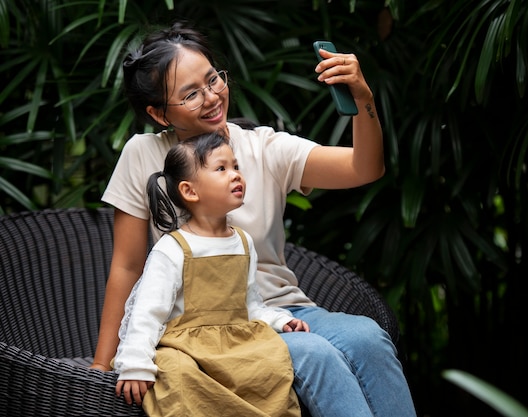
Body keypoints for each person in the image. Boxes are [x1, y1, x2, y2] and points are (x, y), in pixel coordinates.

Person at [94, 21, 417, 417]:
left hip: (282, 310)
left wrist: (363, 97)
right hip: (202, 325)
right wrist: (101, 365)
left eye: (213, 80)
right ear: (160, 114)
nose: (212, 97)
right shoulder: (142, 155)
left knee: (368, 336)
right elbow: (127, 266)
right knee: (316, 355)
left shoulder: (264, 147)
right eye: (191, 94)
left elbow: (364, 168)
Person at [113, 131, 308, 416]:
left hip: (236, 342)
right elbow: (147, 313)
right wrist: (135, 364)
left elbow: (250, 305)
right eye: (221, 169)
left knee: (271, 364)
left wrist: (280, 319)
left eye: (236, 166)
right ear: (190, 191)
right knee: (176, 374)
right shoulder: (174, 248)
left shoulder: (243, 242)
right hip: (185, 345)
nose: (235, 175)